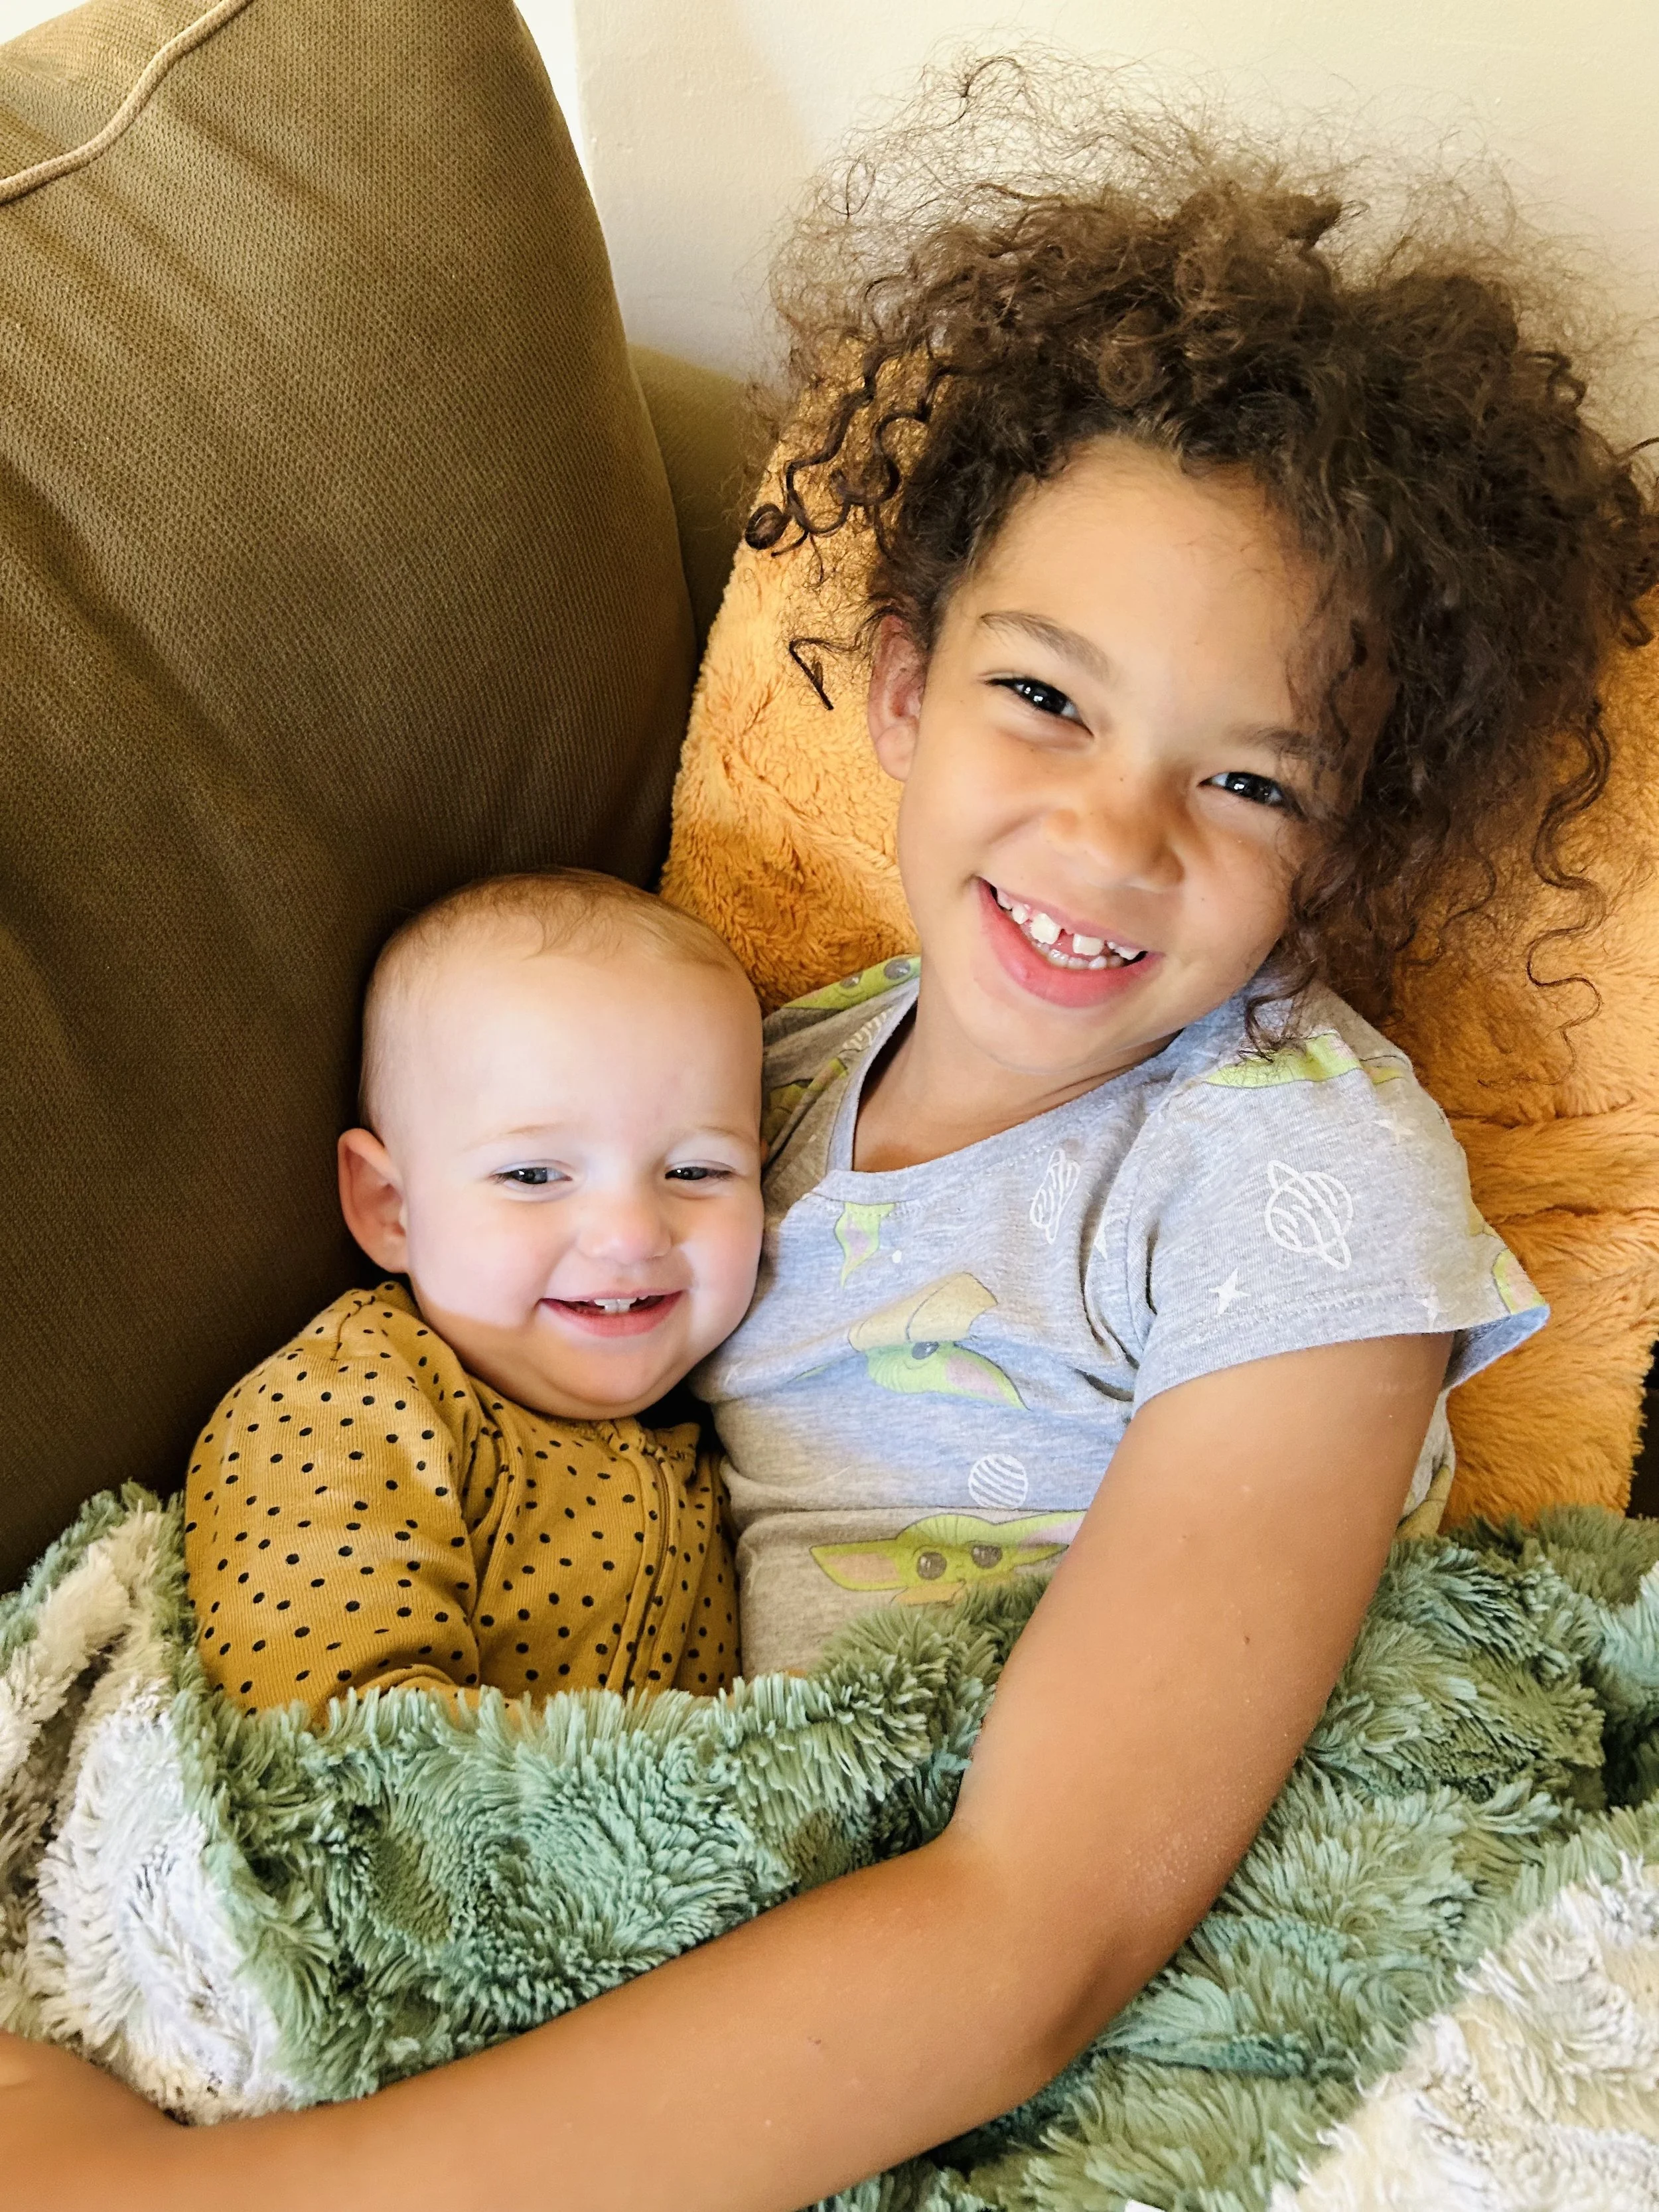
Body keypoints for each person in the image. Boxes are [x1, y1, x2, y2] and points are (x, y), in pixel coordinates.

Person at [5, 80, 1657, 2212]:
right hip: (716, 1869)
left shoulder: (1293, 1179)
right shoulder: (736, 1091)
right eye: (1042, 700)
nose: (1108, 834)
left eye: (1246, 782)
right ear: (897, 686)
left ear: (1343, 849)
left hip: (1048, 1952)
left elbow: (1031, 1936)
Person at [185, 869, 760, 1718]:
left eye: (696, 1170)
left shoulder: (731, 1447)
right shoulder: (342, 1404)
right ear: (392, 1209)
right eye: (533, 1174)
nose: (633, 1235)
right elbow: (345, 1739)